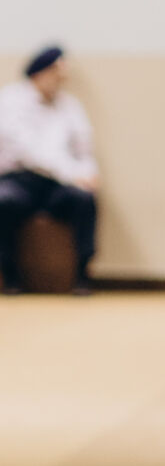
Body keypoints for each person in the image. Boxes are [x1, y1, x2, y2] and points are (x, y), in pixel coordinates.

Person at [0, 45, 99, 292]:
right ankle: (9, 275)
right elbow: (29, 152)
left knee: (84, 199)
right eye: (56, 73)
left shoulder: (70, 106)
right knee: (4, 202)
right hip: (19, 180)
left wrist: (89, 173)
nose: (61, 79)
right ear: (40, 72)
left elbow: (83, 148)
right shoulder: (10, 100)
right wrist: (74, 174)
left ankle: (82, 274)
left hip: (56, 186)